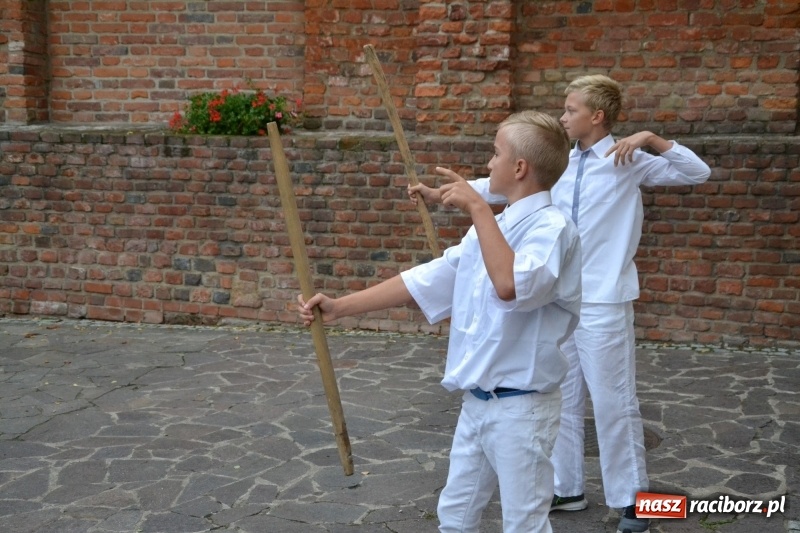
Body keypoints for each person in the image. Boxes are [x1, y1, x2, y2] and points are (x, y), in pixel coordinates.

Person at [410, 75, 711, 533]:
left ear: (598, 116)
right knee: (560, 398)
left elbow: (697, 172)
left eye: (571, 110)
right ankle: (566, 487)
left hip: (604, 298)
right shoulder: (560, 162)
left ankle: (634, 502)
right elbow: (504, 184)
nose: (563, 116)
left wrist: (651, 139)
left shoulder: (627, 160)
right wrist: (442, 194)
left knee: (614, 401)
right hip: (553, 299)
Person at [298, 111, 582, 533]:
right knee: (455, 517)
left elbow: (510, 285)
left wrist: (477, 208)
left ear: (519, 168)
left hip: (523, 409)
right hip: (477, 404)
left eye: (496, 153)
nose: (488, 164)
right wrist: (341, 307)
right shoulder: (493, 226)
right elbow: (428, 279)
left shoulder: (552, 228)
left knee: (524, 525)